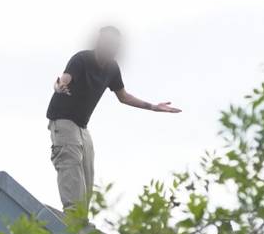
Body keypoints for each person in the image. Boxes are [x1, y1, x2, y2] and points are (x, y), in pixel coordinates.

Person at [46, 26, 181, 217]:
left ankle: (81, 219)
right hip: (62, 121)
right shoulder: (81, 59)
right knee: (71, 161)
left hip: (82, 126)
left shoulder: (112, 68)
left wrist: (153, 107)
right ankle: (73, 216)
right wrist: (58, 86)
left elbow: (123, 96)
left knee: (88, 169)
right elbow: (63, 80)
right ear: (99, 43)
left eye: (113, 46)